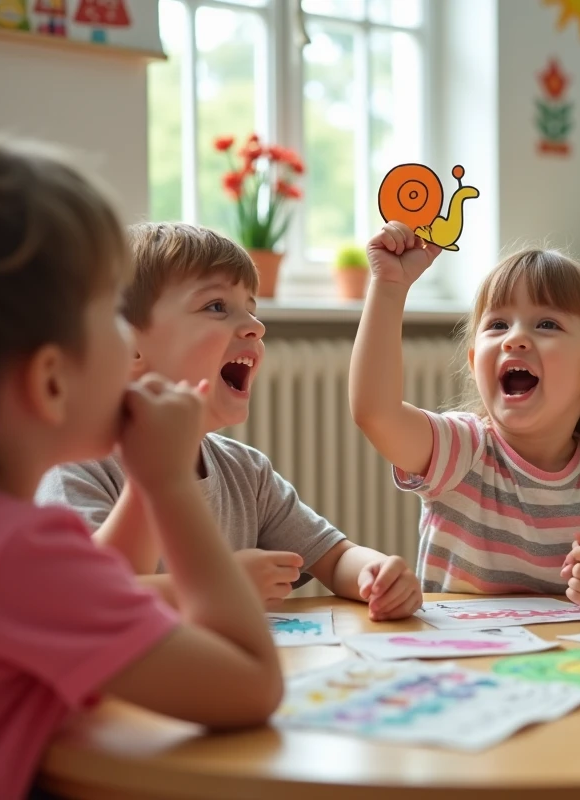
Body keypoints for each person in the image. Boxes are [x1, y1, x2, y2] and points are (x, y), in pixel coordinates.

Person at [0, 139, 282, 800]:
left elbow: (100, 590)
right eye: (111, 317)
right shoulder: (15, 553)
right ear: (51, 382)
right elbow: (251, 683)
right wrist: (173, 485)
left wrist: (148, 480)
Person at [37, 222, 421, 620]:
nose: (256, 327)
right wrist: (220, 584)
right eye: (216, 306)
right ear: (129, 347)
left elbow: (335, 557)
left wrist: (376, 575)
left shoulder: (247, 472)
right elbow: (83, 598)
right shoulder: (78, 466)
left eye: (251, 309)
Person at [349, 222, 580, 612]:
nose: (513, 338)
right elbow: (376, 413)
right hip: (463, 662)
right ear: (473, 362)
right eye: (498, 324)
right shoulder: (461, 449)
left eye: (547, 324)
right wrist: (389, 286)